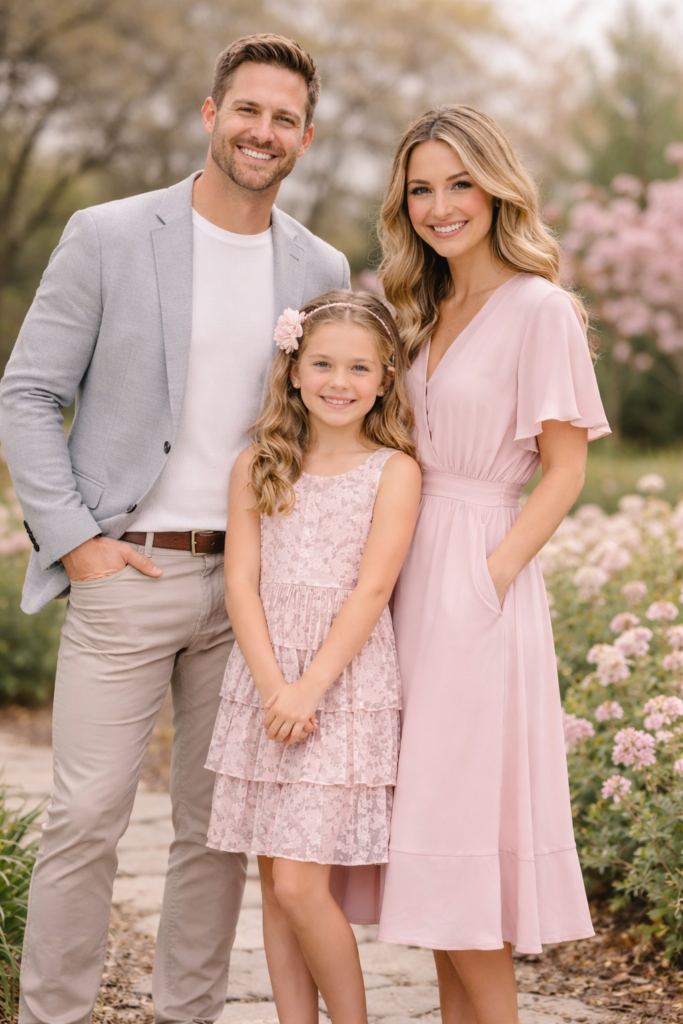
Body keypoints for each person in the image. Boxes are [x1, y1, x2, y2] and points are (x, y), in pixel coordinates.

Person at [0, 33, 350, 1024]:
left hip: (251, 591)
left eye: (284, 119)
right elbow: (27, 393)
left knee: (213, 833)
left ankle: (186, 1014)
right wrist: (76, 543)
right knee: (84, 820)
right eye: (247, 110)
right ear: (210, 114)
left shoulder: (318, 264)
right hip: (127, 574)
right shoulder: (108, 234)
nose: (262, 131)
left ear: (305, 138)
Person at [375, 105, 610, 1024]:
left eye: (459, 183)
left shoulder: (539, 308)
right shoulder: (419, 310)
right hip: (405, 576)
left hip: (476, 578)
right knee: (436, 862)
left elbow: (566, 469)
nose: (440, 206)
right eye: (421, 189)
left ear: (497, 188)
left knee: (461, 829)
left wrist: (488, 578)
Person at [204, 290, 421, 1024]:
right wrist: (275, 688)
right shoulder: (258, 464)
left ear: (384, 380)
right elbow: (241, 582)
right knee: (275, 887)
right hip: (264, 686)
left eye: (359, 368)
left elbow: (373, 590)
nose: (339, 382)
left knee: (300, 885)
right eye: (323, 363)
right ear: (294, 371)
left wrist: (308, 690)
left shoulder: (393, 471)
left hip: (342, 691)